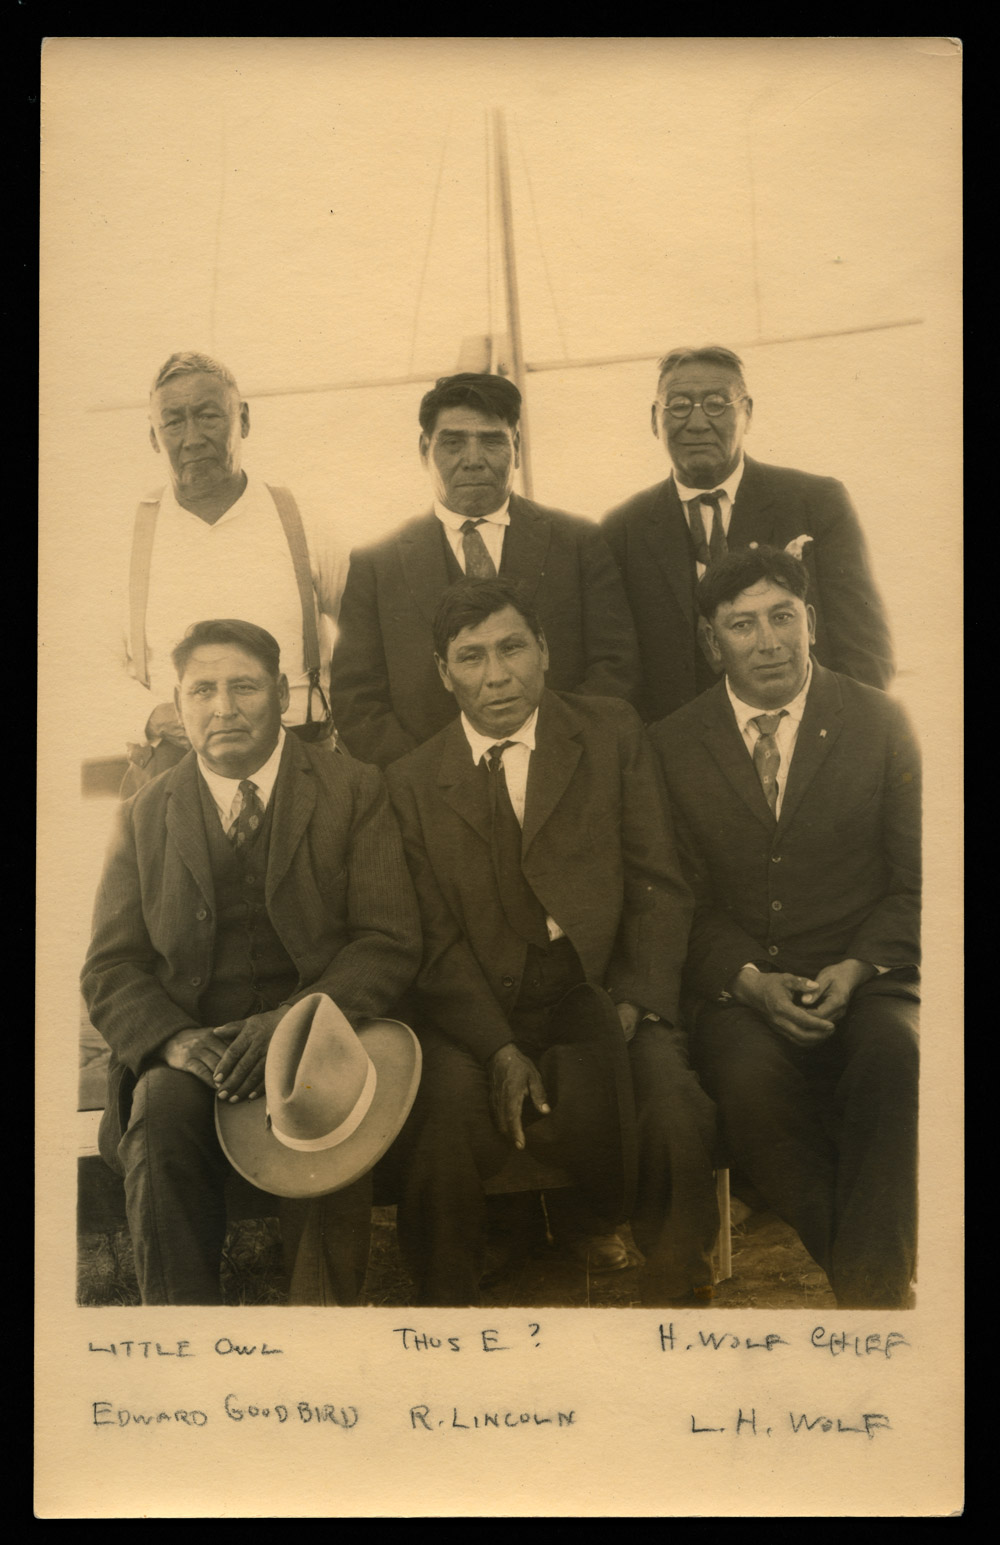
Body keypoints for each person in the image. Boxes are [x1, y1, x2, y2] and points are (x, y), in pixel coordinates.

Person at [385, 578, 719, 1307]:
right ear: (444, 674)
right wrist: (499, 1049)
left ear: (546, 651)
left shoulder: (609, 731)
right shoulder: (411, 782)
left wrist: (636, 999)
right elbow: (433, 945)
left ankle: (679, 1310)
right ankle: (446, 1326)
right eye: (470, 658)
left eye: (512, 648)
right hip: (477, 1016)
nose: (496, 675)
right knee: (441, 1136)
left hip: (601, 992)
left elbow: (660, 883)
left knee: (674, 1113)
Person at [81, 619, 422, 1305]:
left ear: (283, 695)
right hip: (195, 1051)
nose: (224, 708)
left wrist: (291, 1022)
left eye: (244, 686)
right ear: (179, 707)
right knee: (156, 1110)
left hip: (315, 1037)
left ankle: (317, 1338)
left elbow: (388, 939)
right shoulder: (145, 812)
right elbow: (111, 968)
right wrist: (174, 1041)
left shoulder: (353, 788)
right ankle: (184, 1339)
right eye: (201, 690)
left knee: (327, 1096)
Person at [648, 547, 919, 1309]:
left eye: (783, 617)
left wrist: (861, 966)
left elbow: (921, 879)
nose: (767, 641)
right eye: (742, 625)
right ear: (712, 644)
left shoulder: (880, 721)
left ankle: (871, 1297)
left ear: (813, 624)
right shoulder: (670, 744)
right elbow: (677, 900)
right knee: (747, 1087)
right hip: (744, 991)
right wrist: (753, 983)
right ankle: (879, 1293)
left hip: (868, 978)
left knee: (896, 1059)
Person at [330, 372, 640, 767]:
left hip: (565, 776)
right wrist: (423, 778)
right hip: (430, 798)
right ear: (425, 449)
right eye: (453, 442)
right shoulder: (377, 563)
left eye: (492, 440)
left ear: (517, 445)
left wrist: (560, 755)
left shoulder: (578, 542)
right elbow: (357, 700)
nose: (473, 460)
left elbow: (615, 667)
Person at [601, 345, 895, 722]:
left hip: (808, 745)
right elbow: (620, 673)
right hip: (678, 762)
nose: (696, 422)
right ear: (655, 419)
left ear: (748, 413)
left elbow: (865, 648)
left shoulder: (817, 503)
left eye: (716, 404)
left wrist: (840, 744)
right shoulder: (621, 530)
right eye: (678, 405)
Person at [114, 352, 348, 790]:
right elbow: (82, 664)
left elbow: (366, 634)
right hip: (172, 770)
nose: (193, 438)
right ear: (153, 435)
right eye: (173, 422)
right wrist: (150, 715)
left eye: (208, 416)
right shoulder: (125, 536)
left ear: (242, 420)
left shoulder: (302, 519)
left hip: (301, 762)